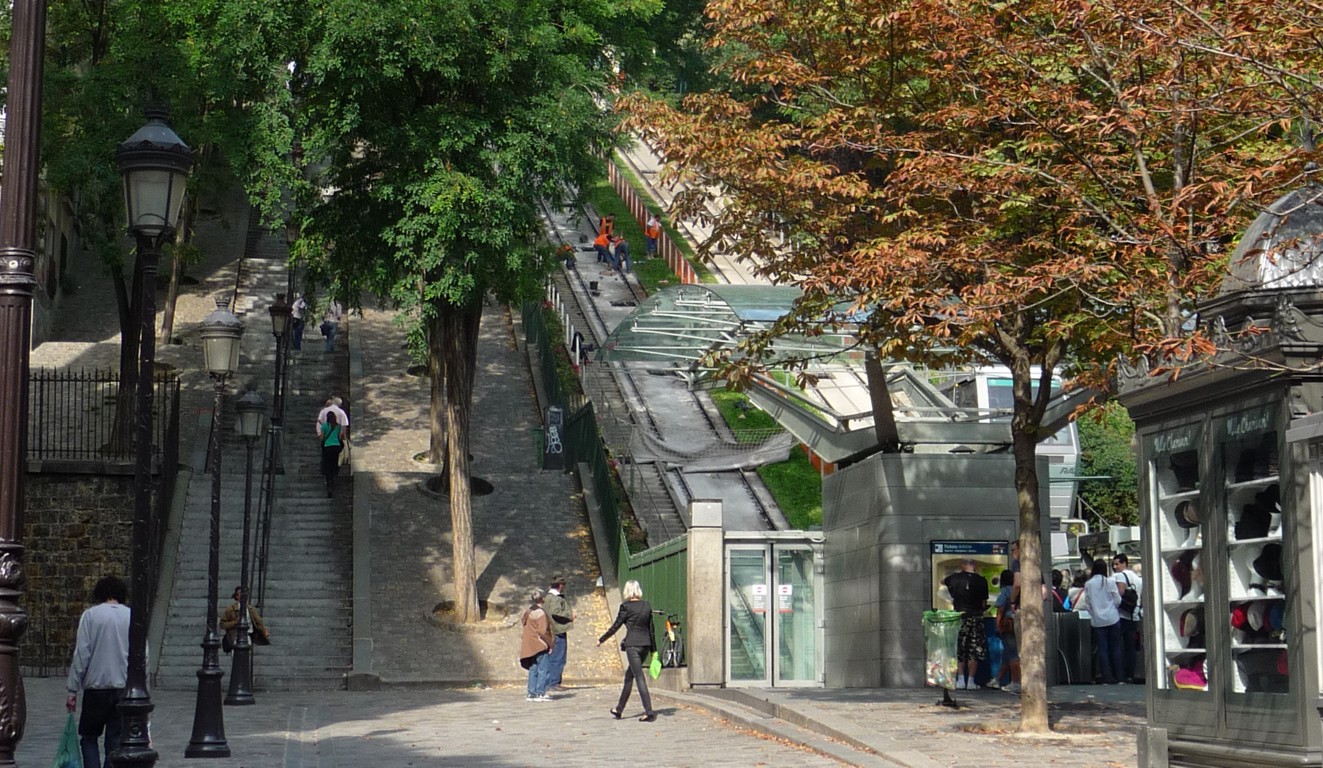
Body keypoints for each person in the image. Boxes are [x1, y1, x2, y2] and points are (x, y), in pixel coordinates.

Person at [66, 575, 130, 768]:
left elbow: (82, 654)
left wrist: (72, 689)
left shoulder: (91, 615)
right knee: (115, 739)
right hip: (122, 686)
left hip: (96, 687)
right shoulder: (131, 616)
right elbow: (141, 655)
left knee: (89, 737)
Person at [597, 579, 657, 722]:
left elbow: (616, 626)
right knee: (629, 676)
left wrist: (601, 639)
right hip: (645, 645)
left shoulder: (626, 607)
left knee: (639, 677)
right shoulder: (646, 605)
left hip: (633, 646)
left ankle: (649, 711)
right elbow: (651, 629)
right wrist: (654, 650)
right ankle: (619, 709)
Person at [942, 559, 989, 690]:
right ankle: (971, 681)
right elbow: (984, 603)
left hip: (959, 616)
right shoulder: (982, 580)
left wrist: (952, 595)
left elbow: (942, 583)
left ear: (962, 566)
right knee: (974, 649)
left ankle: (960, 680)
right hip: (976, 617)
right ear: (975, 566)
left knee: (960, 648)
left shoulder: (954, 578)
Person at [1076, 557, 1123, 684]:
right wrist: (1113, 607)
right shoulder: (1110, 582)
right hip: (1113, 618)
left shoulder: (1088, 584)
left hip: (1097, 621)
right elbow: (1118, 600)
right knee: (1116, 647)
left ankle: (1106, 677)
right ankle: (1119, 676)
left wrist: (1094, 613)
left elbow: (1088, 603)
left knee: (1102, 649)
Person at [519, 588, 555, 702]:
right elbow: (543, 631)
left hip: (529, 645)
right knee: (543, 669)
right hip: (540, 644)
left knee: (533, 668)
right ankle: (541, 692)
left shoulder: (528, 611)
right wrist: (550, 645)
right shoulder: (541, 613)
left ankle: (531, 693)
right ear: (543, 599)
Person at [1113, 553, 1143, 682]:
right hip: (1134, 615)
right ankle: (1130, 674)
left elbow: (1120, 592)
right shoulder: (1137, 578)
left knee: (1117, 646)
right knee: (1130, 647)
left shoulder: (1120, 576)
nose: (1115, 567)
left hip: (1122, 615)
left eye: (1117, 564)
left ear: (1125, 563)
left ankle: (1119, 675)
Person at [544, 576, 577, 692]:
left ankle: (551, 681)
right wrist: (570, 616)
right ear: (560, 586)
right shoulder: (555, 599)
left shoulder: (548, 598)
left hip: (552, 631)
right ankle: (554, 682)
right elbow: (556, 612)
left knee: (553, 657)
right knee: (558, 658)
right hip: (558, 631)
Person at [991, 569, 1020, 693]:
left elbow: (1000, 609)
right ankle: (997, 679)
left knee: (1012, 653)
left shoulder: (1005, 591)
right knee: (1007, 654)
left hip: (1008, 624)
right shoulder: (1019, 589)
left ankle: (1015, 682)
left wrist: (997, 625)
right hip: (1018, 622)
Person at [219, 586, 271, 652]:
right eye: (240, 594)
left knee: (246, 655)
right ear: (237, 596)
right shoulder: (231, 609)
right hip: (235, 636)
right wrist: (235, 623)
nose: (243, 596)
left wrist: (264, 630)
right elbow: (222, 624)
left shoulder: (251, 609)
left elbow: (259, 622)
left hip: (247, 636)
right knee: (236, 655)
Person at [320, 410, 344, 497]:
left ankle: (329, 482)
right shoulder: (338, 426)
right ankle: (333, 477)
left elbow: (322, 437)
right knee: (334, 463)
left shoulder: (324, 425)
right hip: (336, 447)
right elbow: (340, 437)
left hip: (327, 447)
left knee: (327, 465)